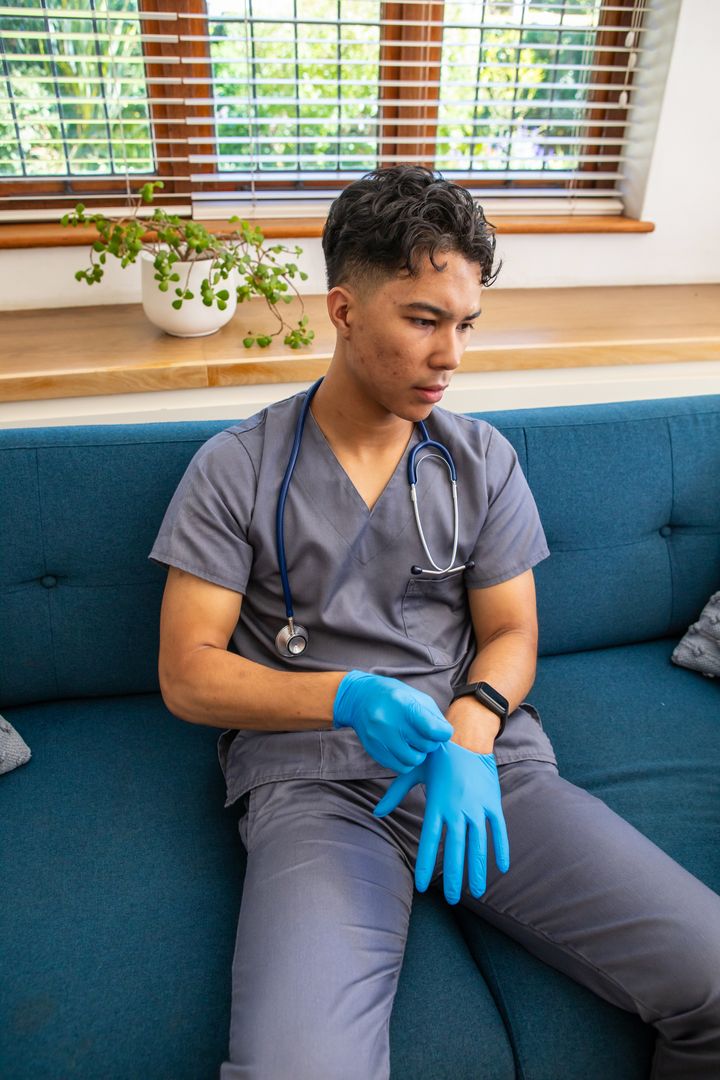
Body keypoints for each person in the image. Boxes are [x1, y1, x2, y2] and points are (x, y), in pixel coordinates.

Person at [149, 164, 720, 1080]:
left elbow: (511, 633)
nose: (450, 355)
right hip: (317, 786)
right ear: (342, 310)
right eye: (423, 319)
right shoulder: (235, 470)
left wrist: (470, 730)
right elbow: (189, 674)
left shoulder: (480, 459)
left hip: (480, 769)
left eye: (464, 325)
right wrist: (349, 697)